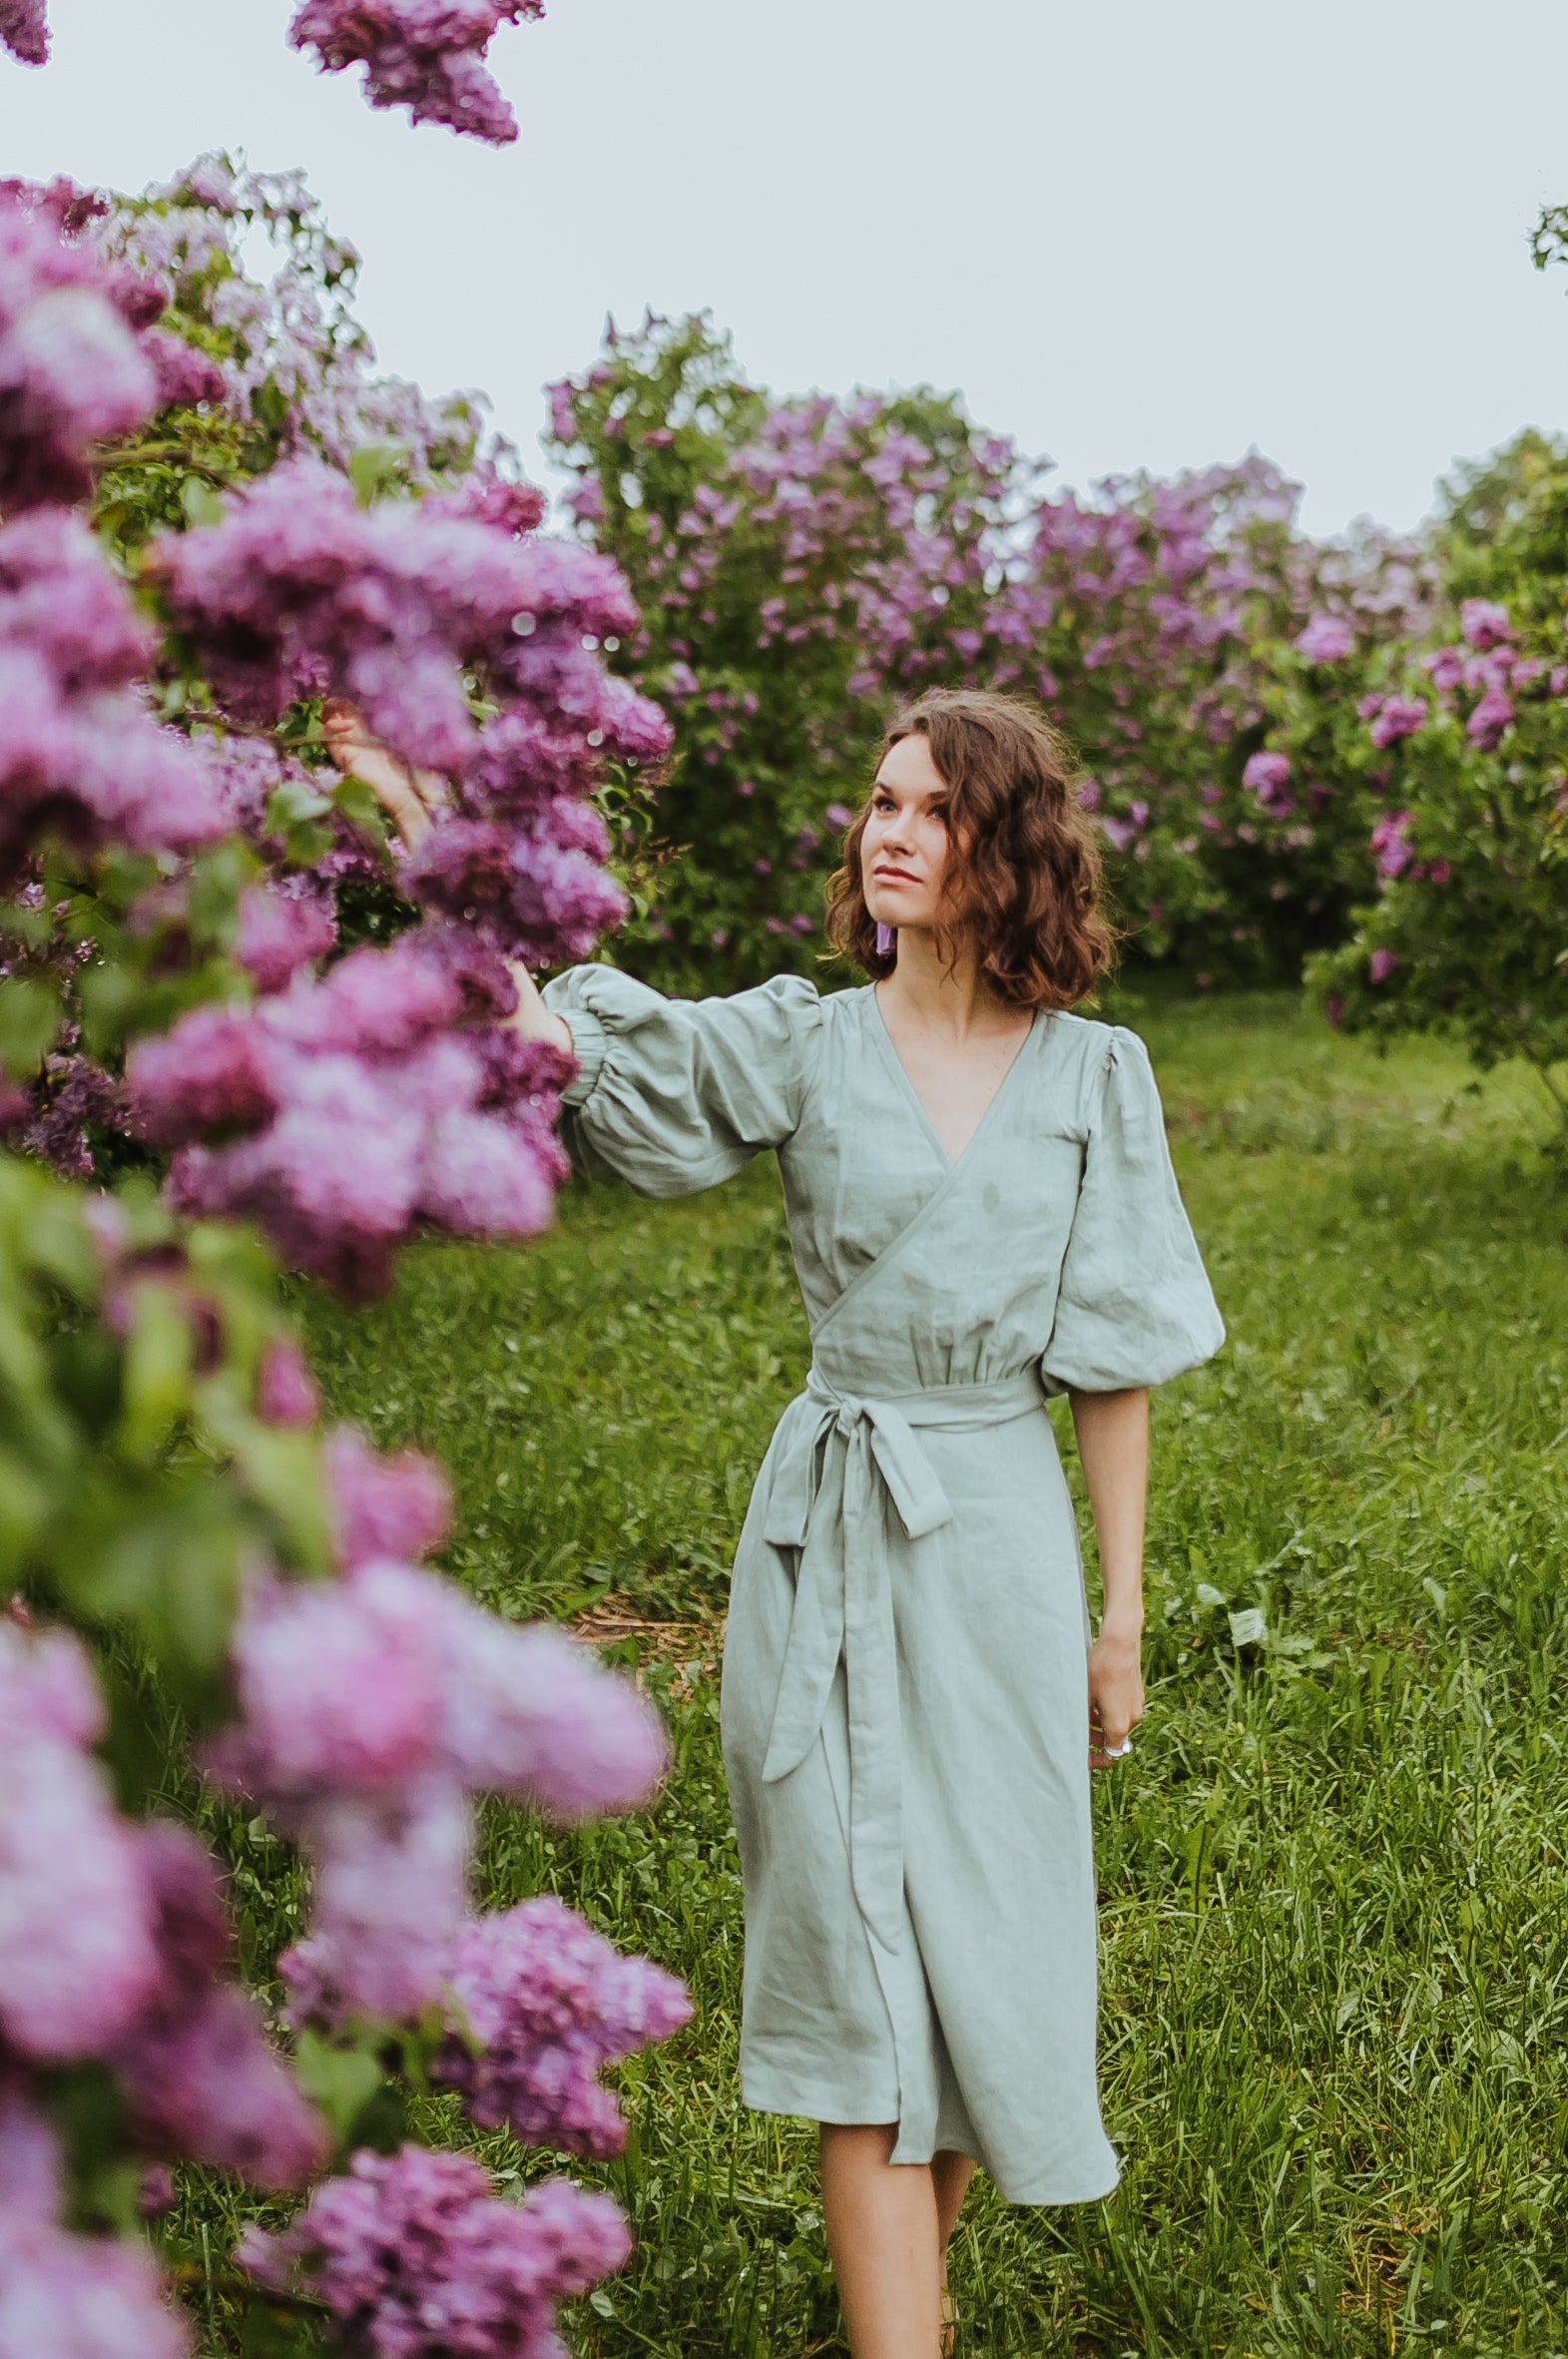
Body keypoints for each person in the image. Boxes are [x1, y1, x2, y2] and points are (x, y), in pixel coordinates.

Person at [326, 688, 1225, 2359]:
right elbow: (560, 1036)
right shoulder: (807, 1040)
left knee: (979, 1963)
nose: (888, 833)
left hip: (1004, 1551)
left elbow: (1115, 1364)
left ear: (1003, 848)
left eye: (932, 811)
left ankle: (907, 2319)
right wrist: (413, 807)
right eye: (878, 802)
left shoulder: (1100, 1074)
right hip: (825, 1544)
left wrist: (1121, 1618)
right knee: (860, 1969)